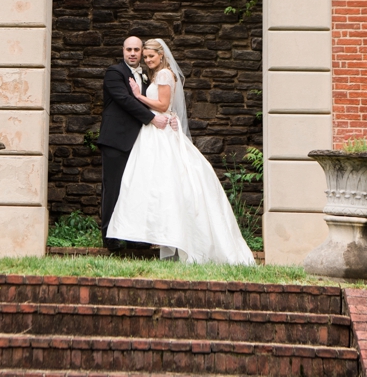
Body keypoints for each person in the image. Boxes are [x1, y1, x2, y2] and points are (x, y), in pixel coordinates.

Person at [108, 38, 256, 265]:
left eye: (150, 56)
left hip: (160, 132)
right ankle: (153, 233)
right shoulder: (155, 75)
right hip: (153, 132)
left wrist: (138, 96)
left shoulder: (165, 75)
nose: (147, 59)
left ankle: (175, 236)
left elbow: (164, 105)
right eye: (144, 56)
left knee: (168, 184)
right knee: (153, 185)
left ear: (161, 55)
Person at [97, 36, 173, 251]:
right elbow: (125, 100)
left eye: (136, 49)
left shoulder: (149, 77)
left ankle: (134, 237)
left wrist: (169, 117)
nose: (132, 53)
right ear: (123, 50)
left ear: (142, 52)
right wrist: (152, 119)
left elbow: (159, 102)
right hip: (116, 140)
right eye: (128, 49)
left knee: (136, 190)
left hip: (141, 142)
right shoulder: (115, 73)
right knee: (114, 188)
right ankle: (110, 239)